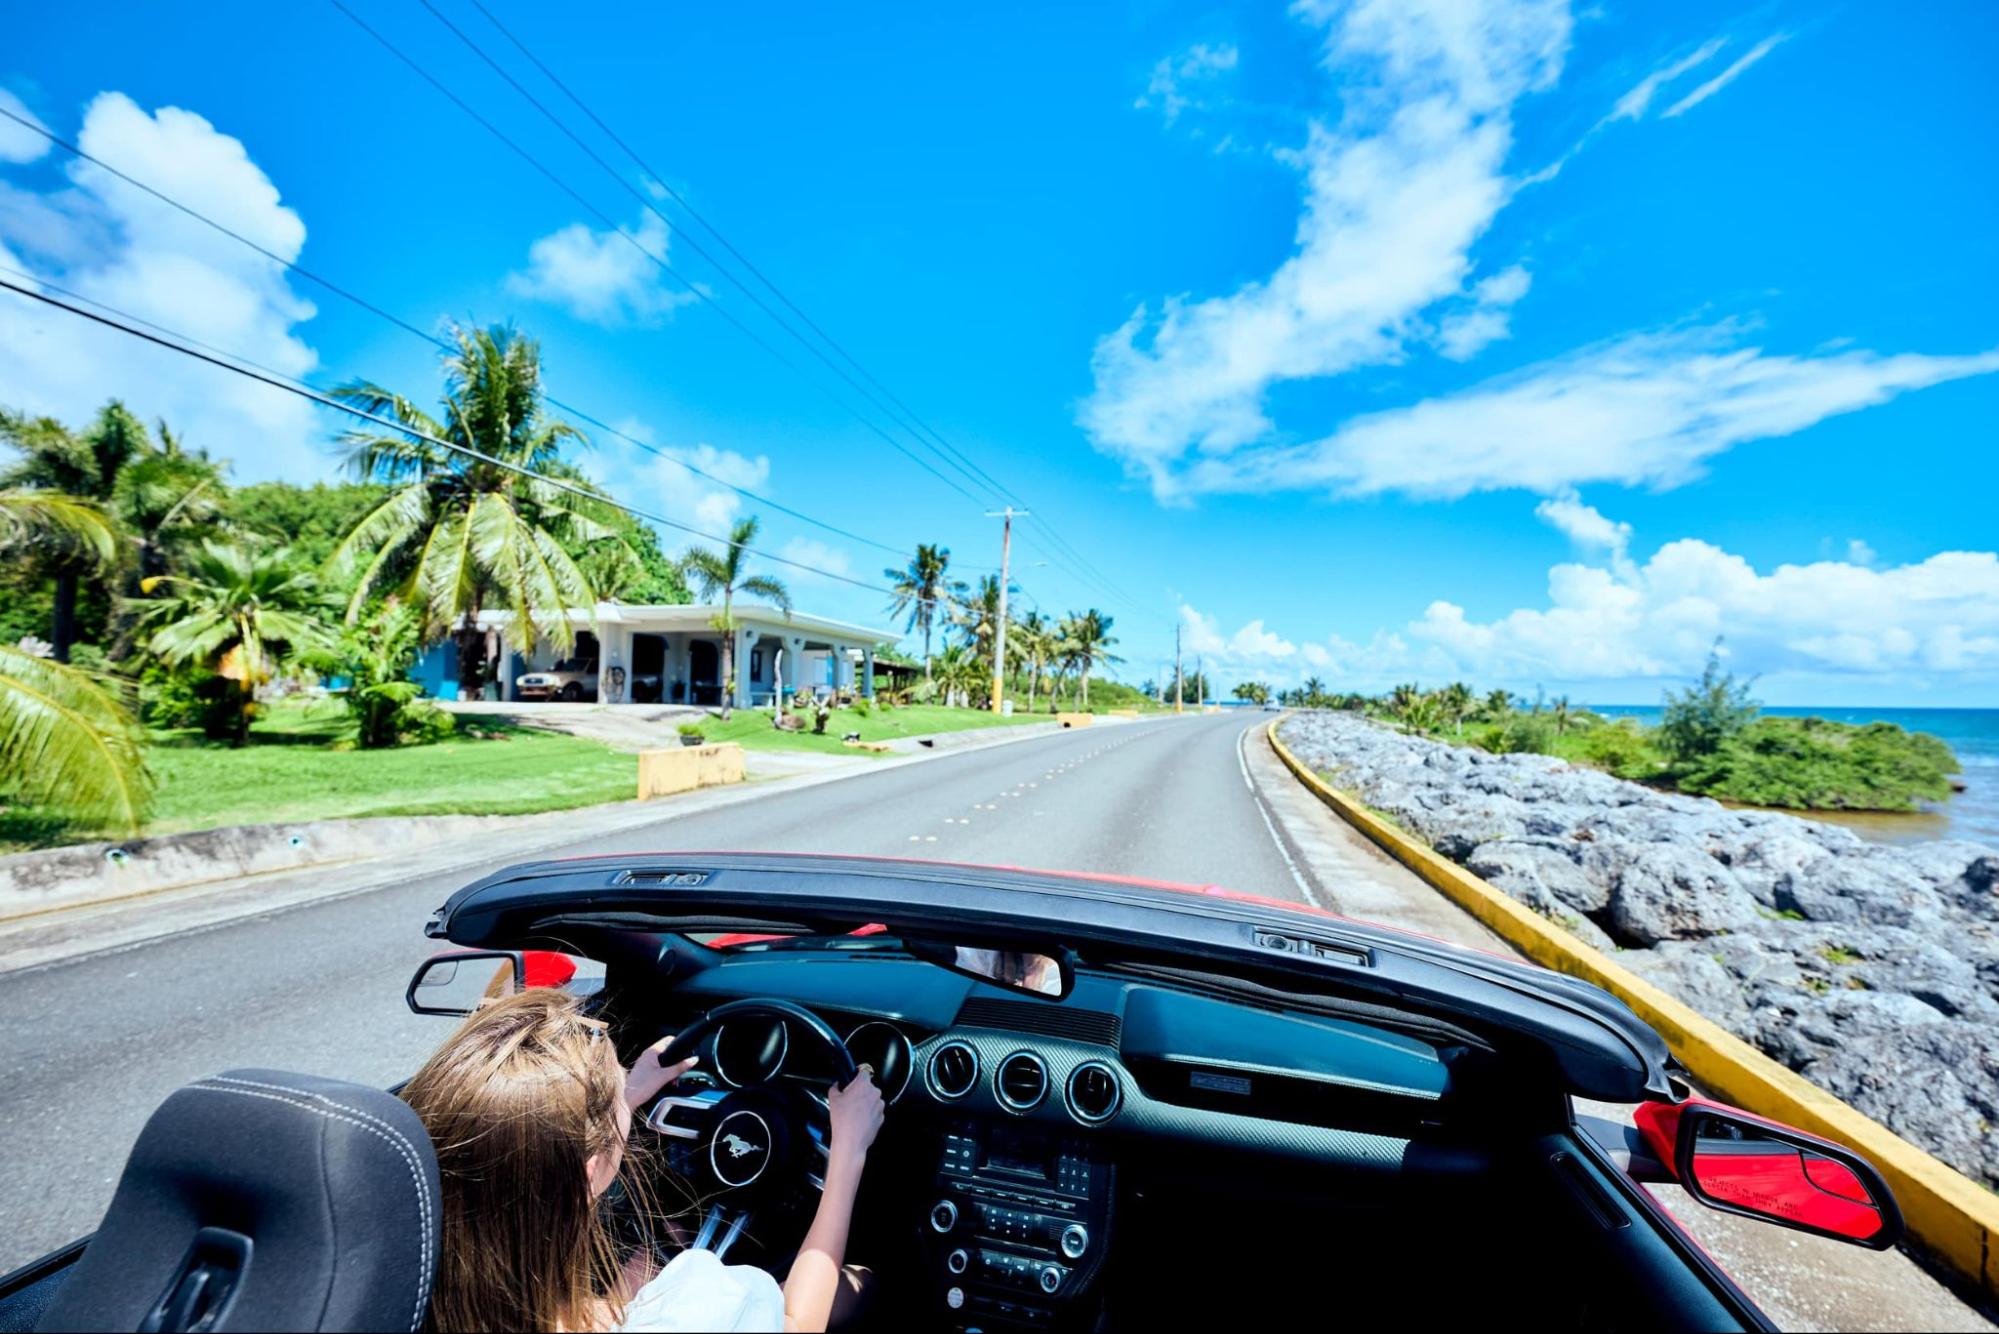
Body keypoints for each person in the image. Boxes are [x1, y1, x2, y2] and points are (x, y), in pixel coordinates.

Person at [401, 989, 885, 1333]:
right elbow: (796, 1323)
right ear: (589, 1174)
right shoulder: (694, 1307)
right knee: (865, 1284)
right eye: (620, 1079)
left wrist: (627, 1095)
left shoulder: (407, 1289)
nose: (626, 1086)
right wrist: (848, 1150)